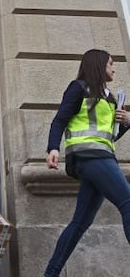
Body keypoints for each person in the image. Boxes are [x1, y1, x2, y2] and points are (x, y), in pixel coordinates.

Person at [44, 49, 130, 277]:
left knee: (79, 224)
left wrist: (126, 122)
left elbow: (110, 136)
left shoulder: (109, 98)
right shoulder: (79, 88)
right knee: (128, 201)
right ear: (99, 65)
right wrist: (53, 148)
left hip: (100, 158)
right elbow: (60, 119)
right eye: (111, 63)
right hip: (89, 158)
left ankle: (50, 274)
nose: (114, 67)